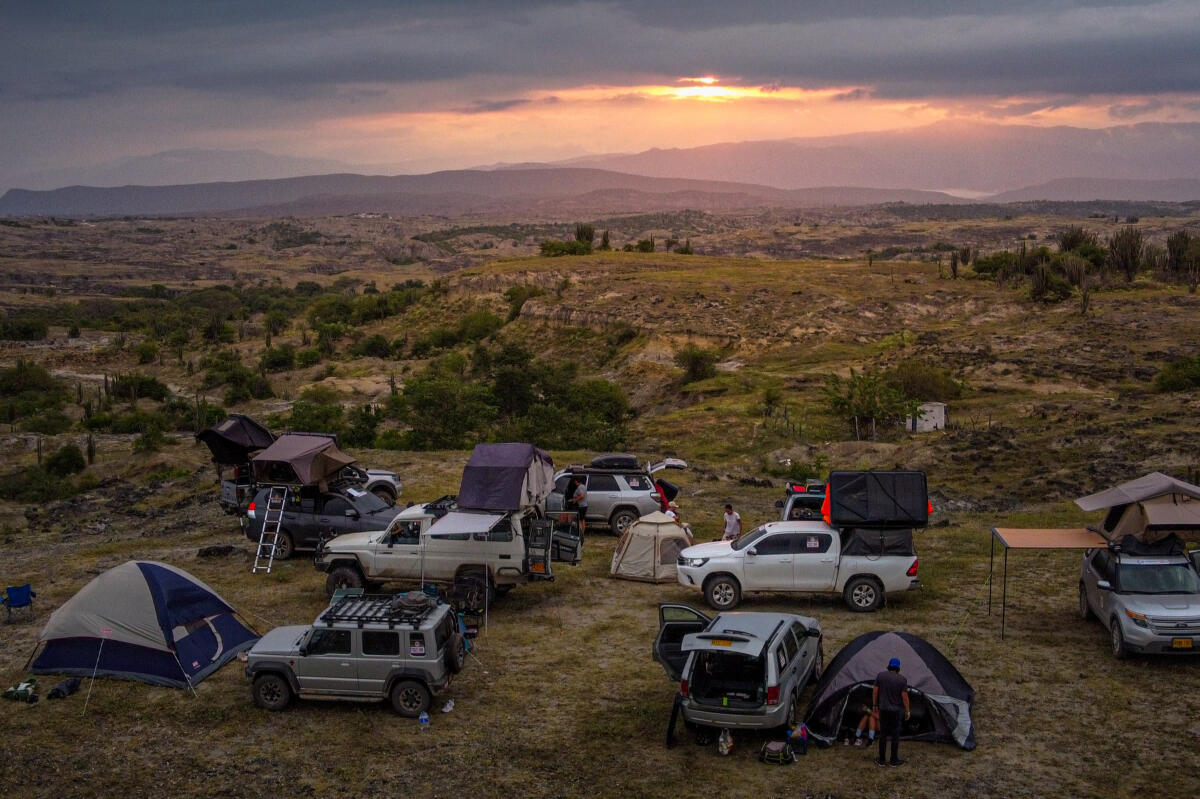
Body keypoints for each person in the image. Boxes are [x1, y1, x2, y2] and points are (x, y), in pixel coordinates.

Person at [872, 657, 911, 767]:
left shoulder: (881, 676)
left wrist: (875, 705)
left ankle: (881, 759)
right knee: (895, 735)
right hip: (896, 712)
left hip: (883, 709)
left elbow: (875, 692)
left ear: (889, 665)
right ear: (898, 668)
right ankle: (894, 760)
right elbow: (905, 697)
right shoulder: (902, 680)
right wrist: (907, 711)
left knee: (883, 734)